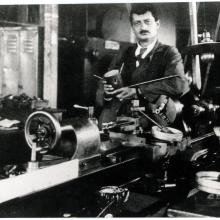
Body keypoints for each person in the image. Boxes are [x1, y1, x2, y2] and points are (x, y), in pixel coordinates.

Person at [96, 3, 190, 129]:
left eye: (147, 22)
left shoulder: (169, 53)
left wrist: (138, 91)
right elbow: (102, 87)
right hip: (121, 123)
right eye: (137, 23)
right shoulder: (124, 53)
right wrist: (107, 92)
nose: (143, 27)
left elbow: (178, 83)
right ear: (132, 27)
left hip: (153, 124)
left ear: (157, 24)